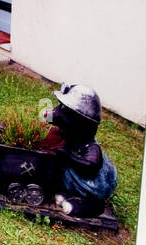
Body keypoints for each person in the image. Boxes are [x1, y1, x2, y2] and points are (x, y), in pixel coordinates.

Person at [46, 83, 117, 218]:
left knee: (92, 197)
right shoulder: (70, 137)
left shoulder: (90, 147)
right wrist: (47, 115)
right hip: (76, 175)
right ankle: (68, 193)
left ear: (81, 125)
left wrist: (68, 156)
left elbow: (90, 166)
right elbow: (55, 116)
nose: (58, 113)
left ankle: (91, 206)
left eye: (65, 111)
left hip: (93, 184)